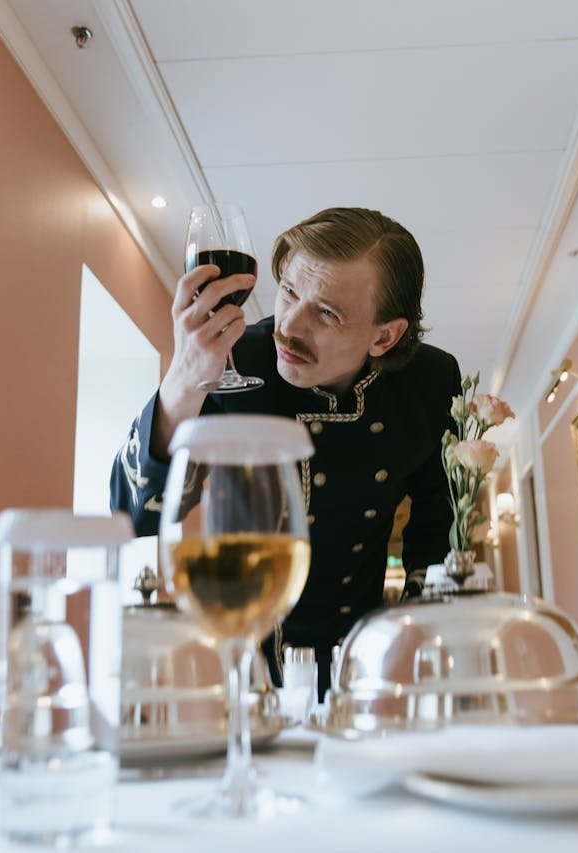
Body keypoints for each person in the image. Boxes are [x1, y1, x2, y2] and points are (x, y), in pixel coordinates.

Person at [111, 207, 462, 695]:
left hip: (363, 658)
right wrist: (183, 379)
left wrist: (415, 638)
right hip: (244, 658)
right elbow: (131, 519)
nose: (288, 326)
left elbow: (438, 524)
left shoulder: (429, 383)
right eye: (290, 291)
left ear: (385, 336)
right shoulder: (238, 360)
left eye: (327, 313)